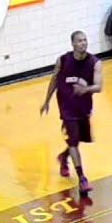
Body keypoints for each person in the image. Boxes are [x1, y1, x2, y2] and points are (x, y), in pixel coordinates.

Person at [40, 31, 103, 196]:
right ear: (73, 44)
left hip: (83, 108)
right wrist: (46, 101)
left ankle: (63, 157)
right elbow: (54, 80)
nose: (83, 43)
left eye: (85, 40)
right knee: (73, 140)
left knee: (79, 138)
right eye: (80, 41)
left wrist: (85, 89)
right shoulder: (63, 60)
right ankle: (82, 178)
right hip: (66, 108)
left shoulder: (95, 63)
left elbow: (99, 86)